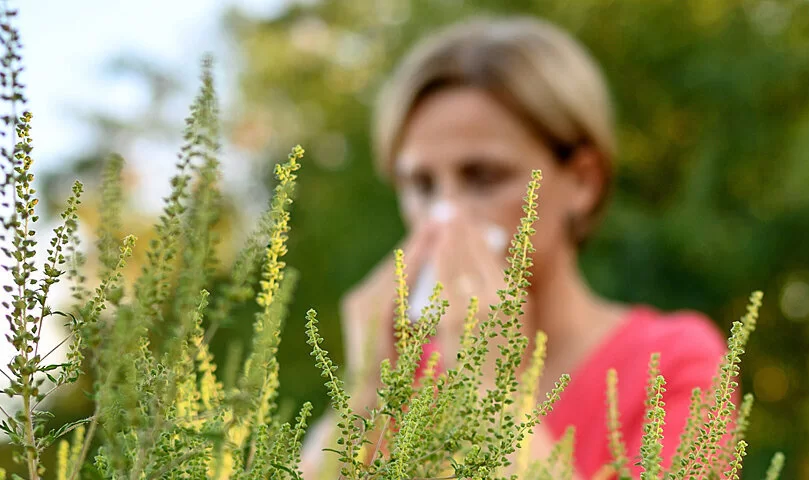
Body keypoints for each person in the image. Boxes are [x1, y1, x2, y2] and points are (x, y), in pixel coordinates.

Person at [298, 15, 731, 479]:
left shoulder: (673, 367)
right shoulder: (410, 383)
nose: (447, 214)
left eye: (484, 177)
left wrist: (492, 389)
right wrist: (363, 394)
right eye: (422, 186)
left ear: (583, 180)